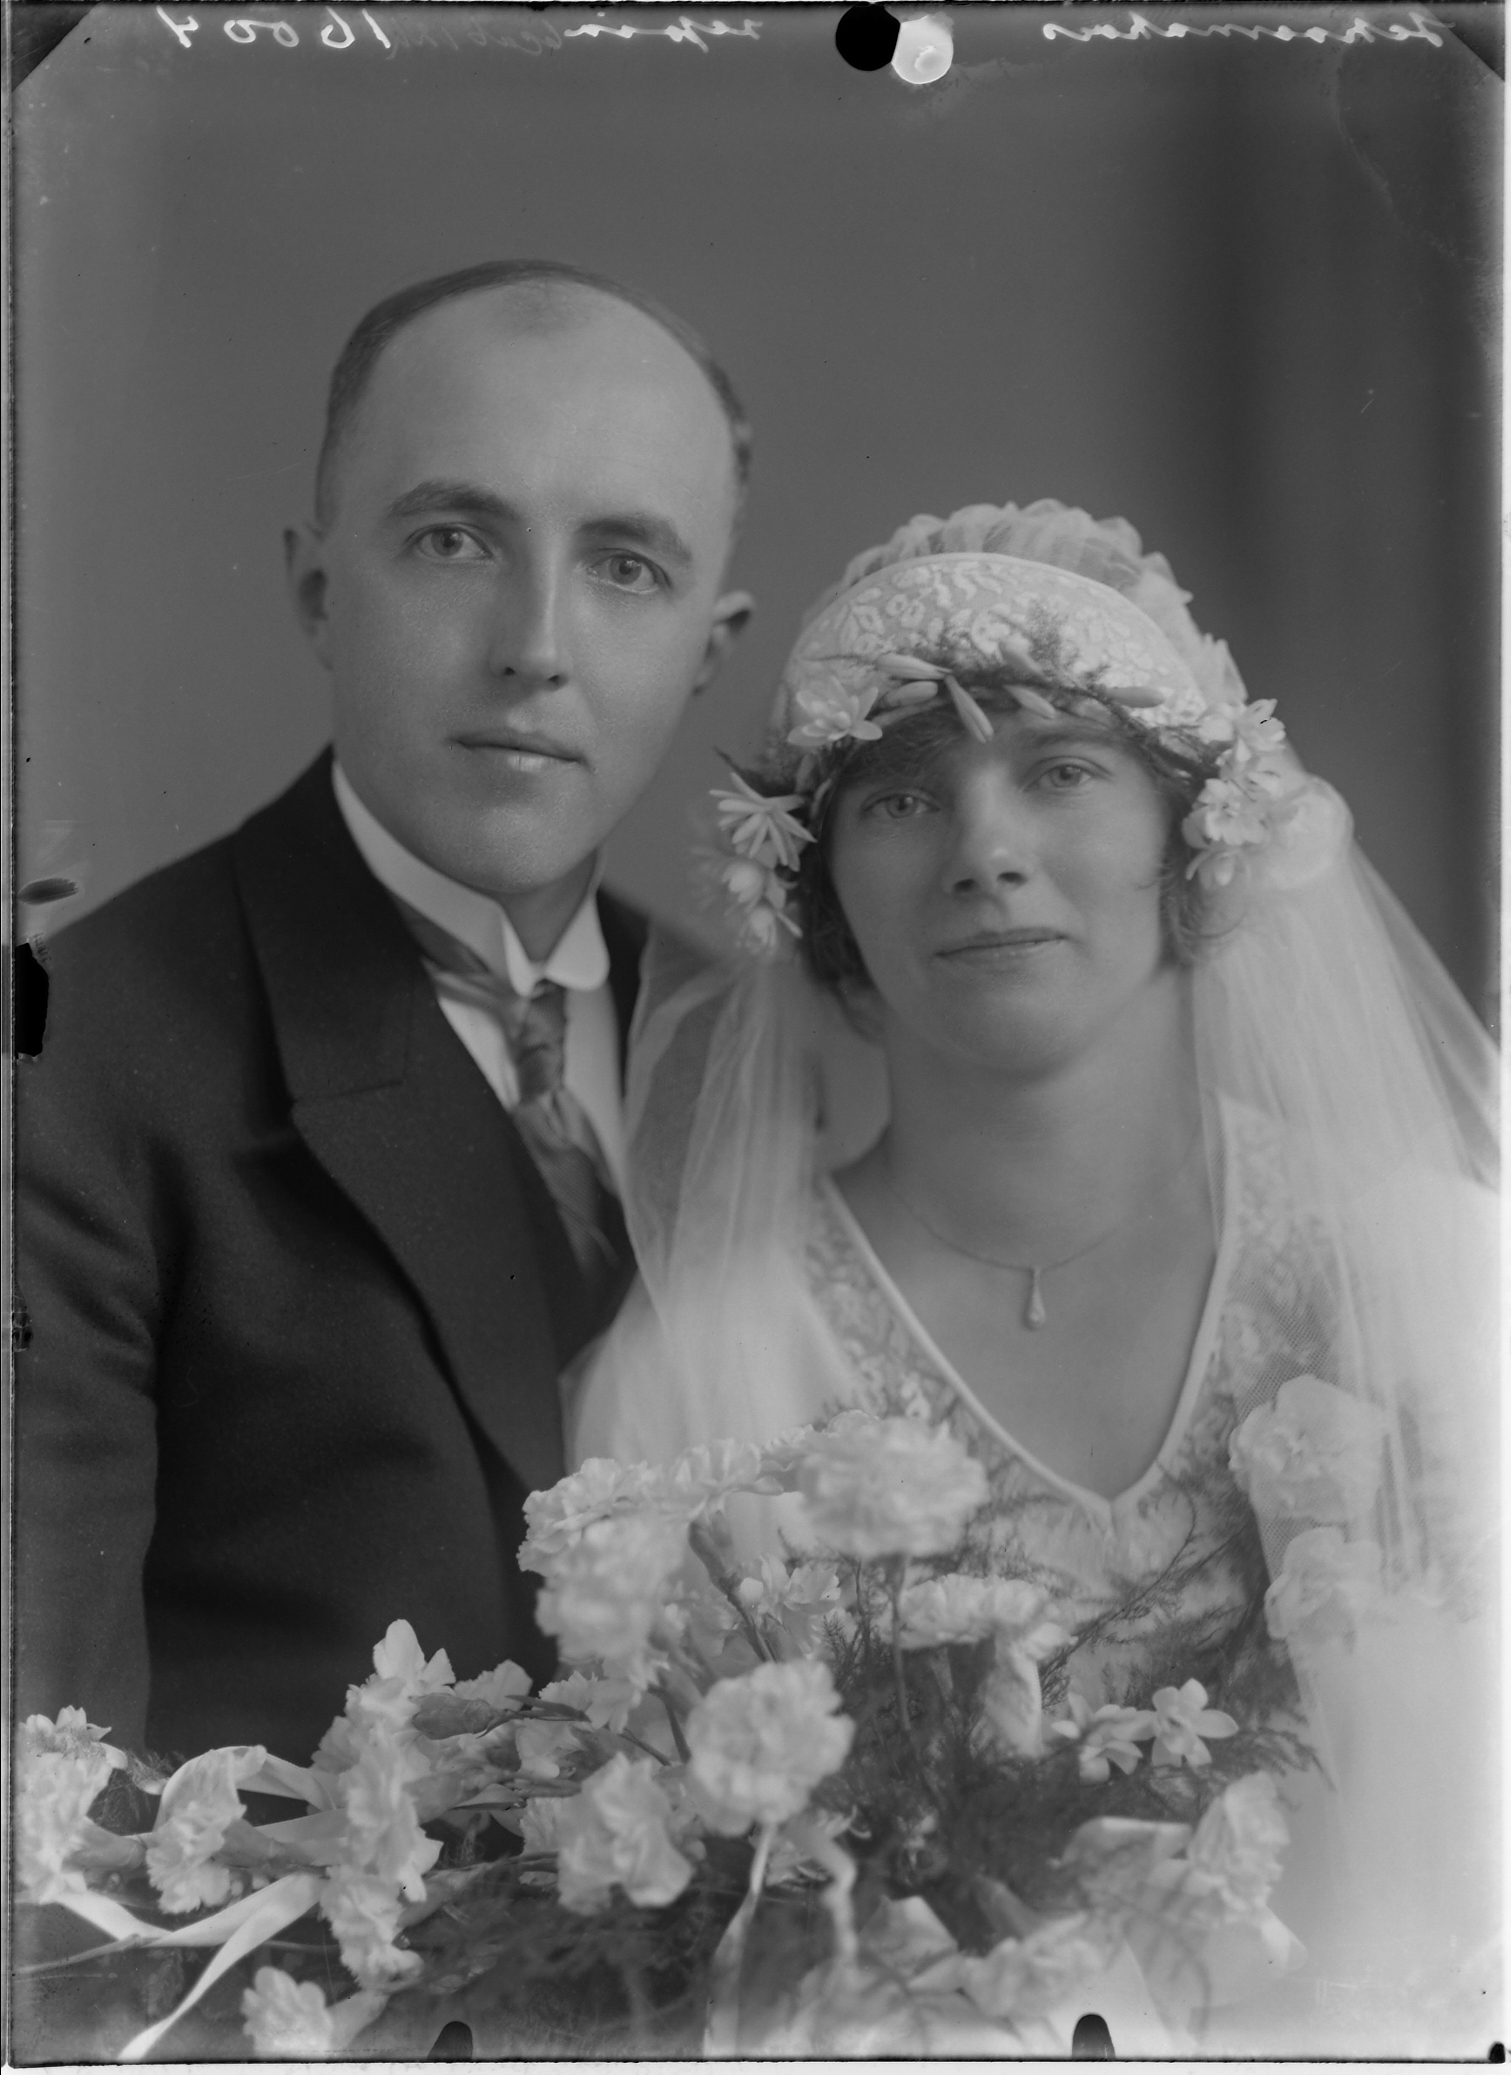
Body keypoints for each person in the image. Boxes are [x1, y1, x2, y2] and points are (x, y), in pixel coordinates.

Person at [572, 500, 1499, 2055]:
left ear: (1197, 836)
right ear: (818, 890)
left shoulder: (1445, 1275)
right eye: (901, 798)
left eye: (1062, 772)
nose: (986, 853)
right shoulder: (706, 1380)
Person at [13, 260, 753, 1764]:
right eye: (454, 539)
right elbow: (37, 1816)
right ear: (317, 589)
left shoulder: (755, 1045)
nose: (536, 644)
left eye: (625, 567)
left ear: (708, 647)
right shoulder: (73, 1059)